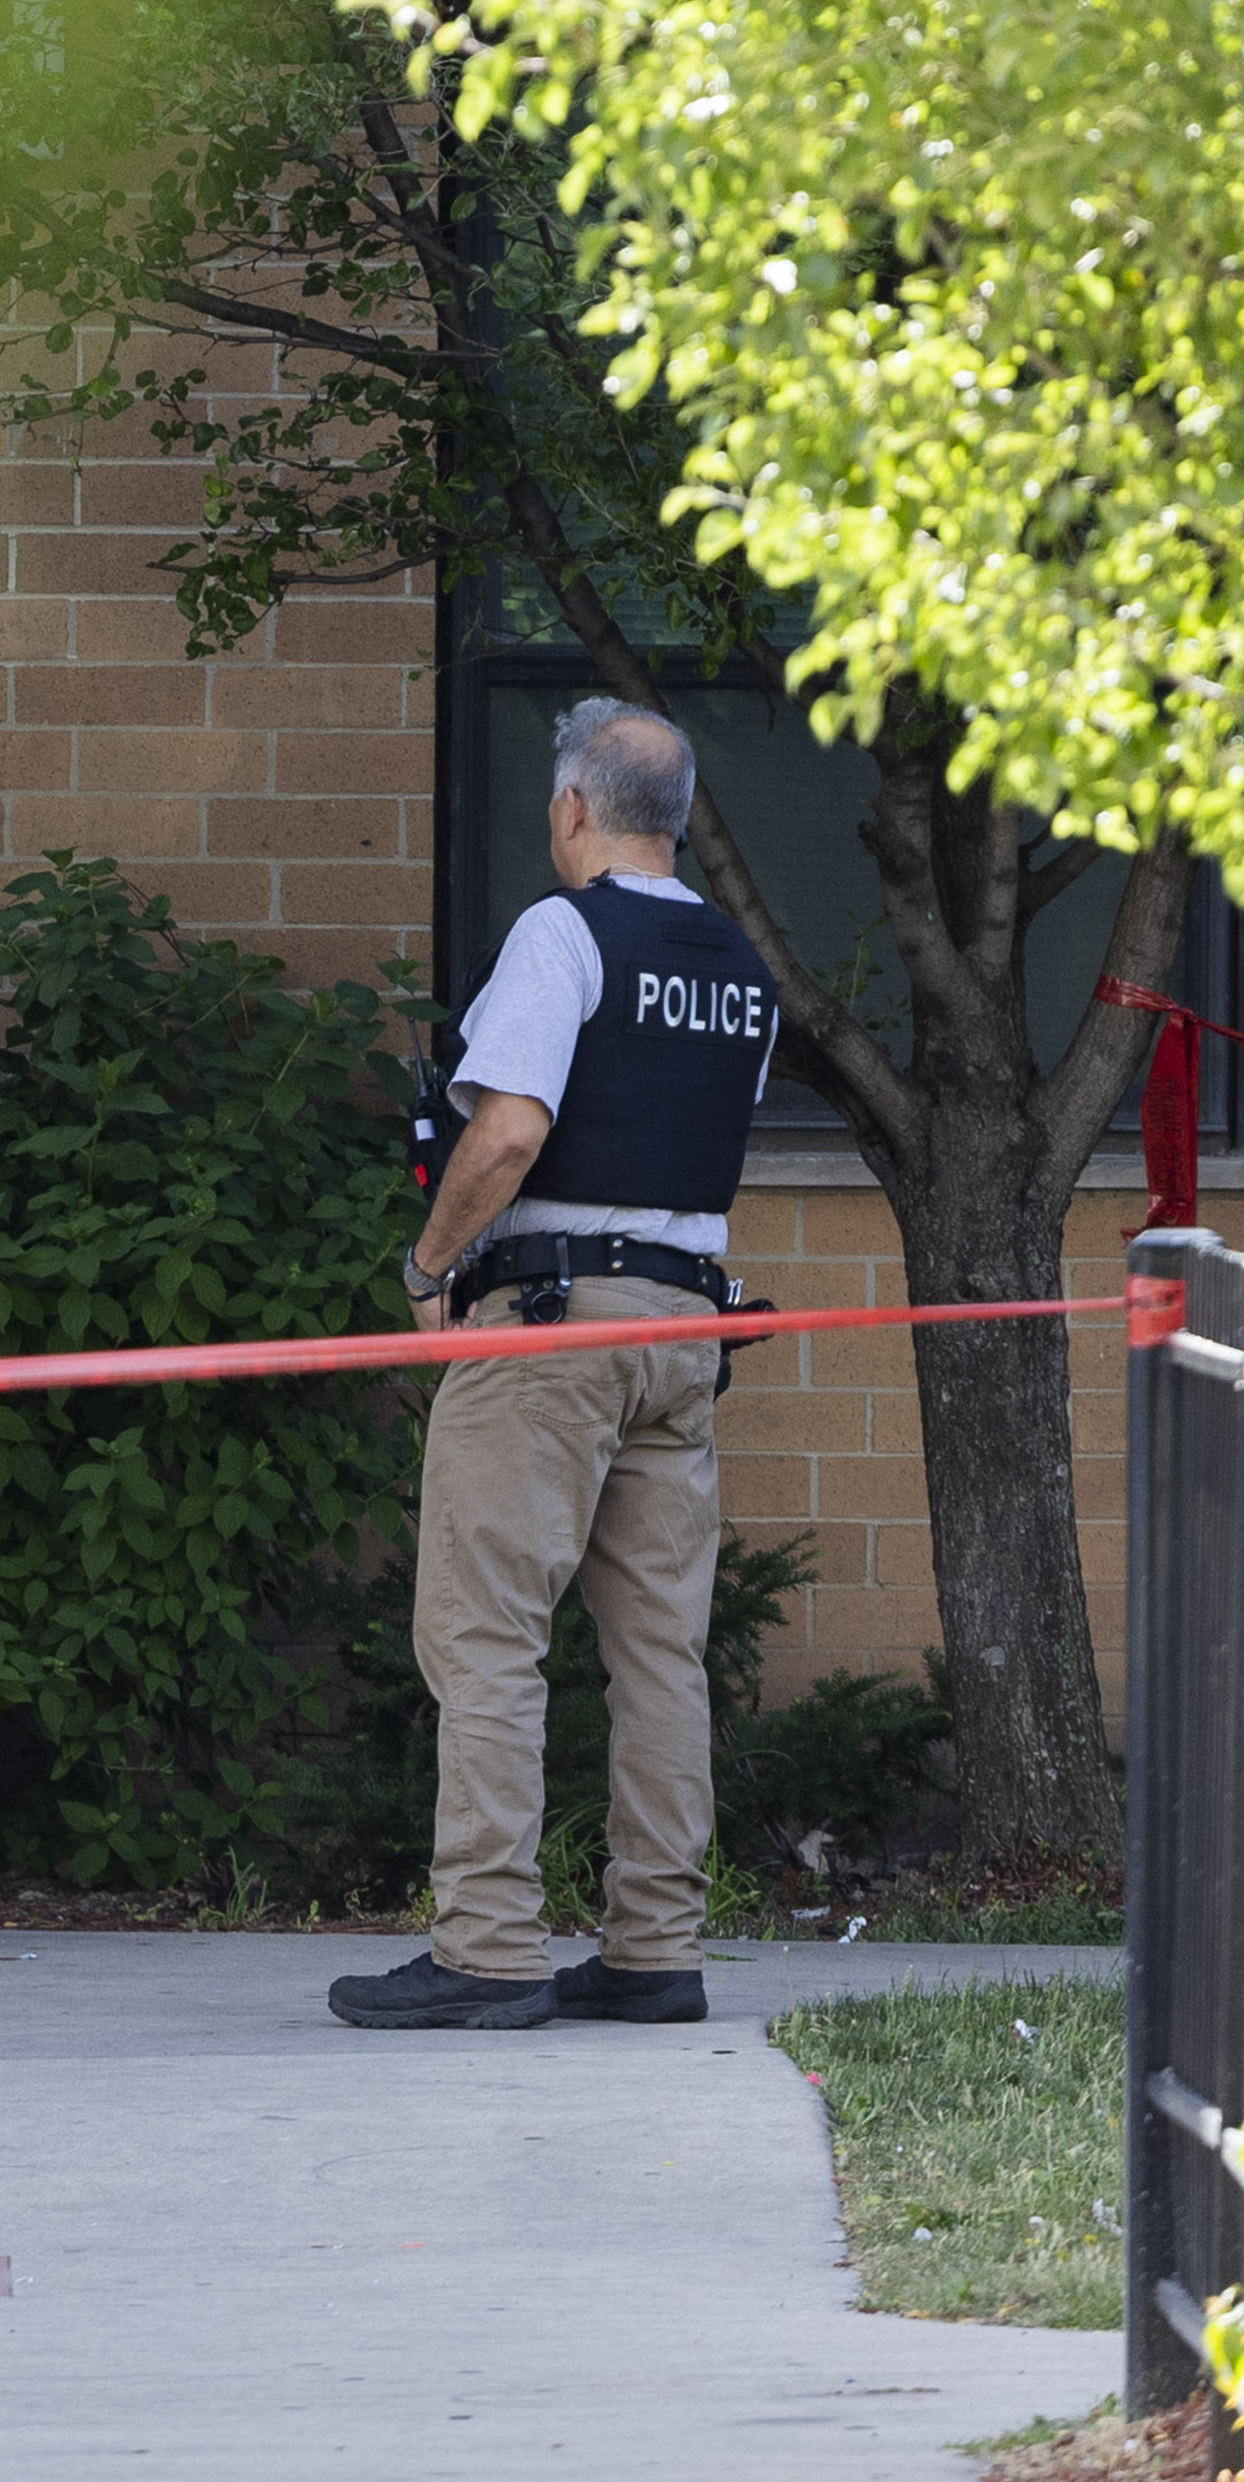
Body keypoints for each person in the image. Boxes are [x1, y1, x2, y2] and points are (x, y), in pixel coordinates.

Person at [329, 696, 778, 2033]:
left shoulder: (562, 931)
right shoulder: (741, 968)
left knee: (484, 1631)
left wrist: (427, 1267)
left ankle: (486, 1946)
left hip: (549, 1322)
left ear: (575, 808)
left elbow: (510, 1131)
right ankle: (654, 1949)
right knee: (659, 1652)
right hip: (683, 1328)